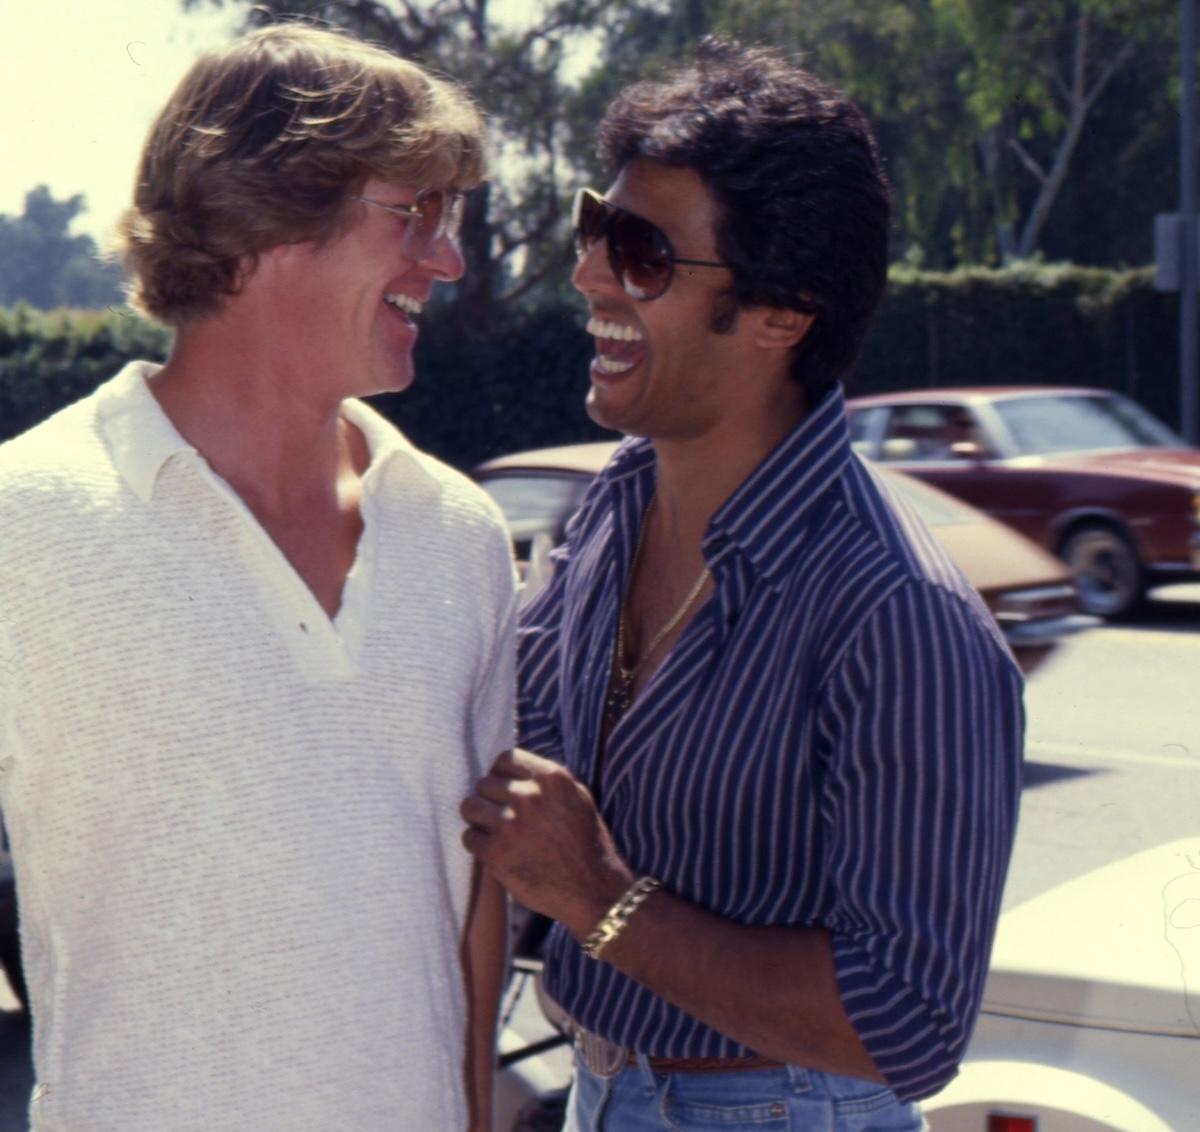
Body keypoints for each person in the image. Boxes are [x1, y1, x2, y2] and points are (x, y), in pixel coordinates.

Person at [462, 39, 1024, 1129]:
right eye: (595, 226)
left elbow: (904, 1023)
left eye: (640, 251)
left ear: (783, 312)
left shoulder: (896, 612)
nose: (587, 273)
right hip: (600, 1088)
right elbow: (480, 765)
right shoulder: (605, 522)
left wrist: (596, 896)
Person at [0, 25, 513, 1131]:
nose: (449, 258)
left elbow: (478, 904)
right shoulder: (22, 522)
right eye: (413, 212)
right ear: (269, 215)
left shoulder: (458, 534)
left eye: (451, 218)